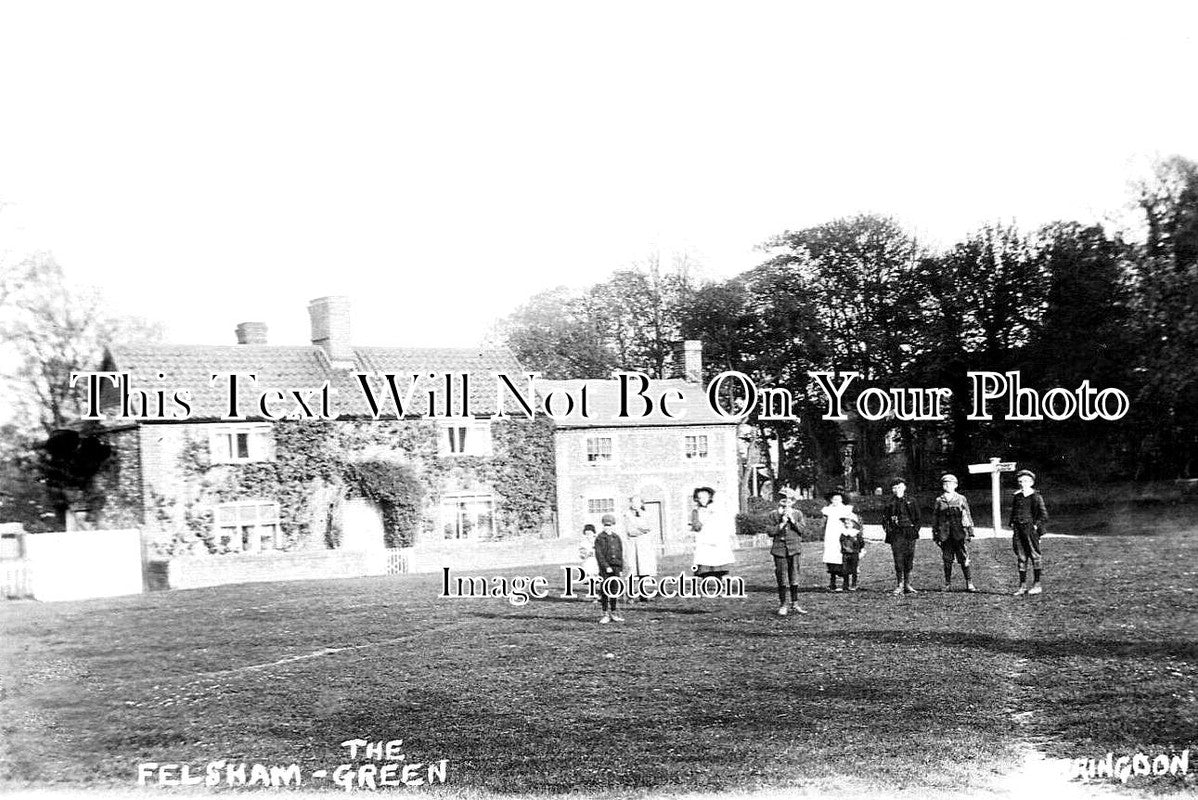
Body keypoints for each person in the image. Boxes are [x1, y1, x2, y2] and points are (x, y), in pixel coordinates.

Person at [932, 473, 976, 592]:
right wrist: (935, 534)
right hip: (945, 534)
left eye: (950, 484)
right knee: (947, 559)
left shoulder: (961, 498)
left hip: (959, 532)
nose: (948, 486)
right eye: (945, 484)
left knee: (963, 558)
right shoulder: (939, 500)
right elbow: (935, 518)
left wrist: (970, 532)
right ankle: (947, 583)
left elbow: (967, 514)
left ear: (955, 485)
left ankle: (969, 582)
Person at [767, 489, 807, 615]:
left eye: (789, 500)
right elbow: (770, 531)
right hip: (779, 550)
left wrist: (792, 520)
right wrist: (782, 523)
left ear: (793, 502)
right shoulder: (773, 514)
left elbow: (802, 529)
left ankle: (795, 603)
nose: (786, 503)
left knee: (794, 576)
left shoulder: (798, 514)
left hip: (794, 549)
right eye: (783, 499)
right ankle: (783, 604)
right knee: (782, 577)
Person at [1010, 469, 1049, 596]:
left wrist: (1035, 526)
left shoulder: (1036, 497)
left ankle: (1037, 584)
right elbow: (1013, 512)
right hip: (1018, 530)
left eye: (1025, 481)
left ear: (1031, 482)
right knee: (1021, 557)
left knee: (1035, 556)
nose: (1022, 483)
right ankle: (1022, 587)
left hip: (1030, 530)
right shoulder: (1017, 496)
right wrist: (1012, 523)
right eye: (1020, 481)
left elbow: (1044, 515)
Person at [883, 477, 922, 595]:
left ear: (904, 487)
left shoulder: (912, 501)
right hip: (896, 533)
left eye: (899, 487)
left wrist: (914, 529)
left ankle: (907, 584)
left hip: (909, 532)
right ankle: (899, 584)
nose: (897, 489)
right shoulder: (890, 503)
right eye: (894, 487)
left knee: (909, 557)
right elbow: (885, 520)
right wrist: (889, 530)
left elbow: (918, 518)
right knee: (898, 558)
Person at [690, 487, 735, 578]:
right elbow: (696, 526)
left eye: (705, 497)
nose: (703, 500)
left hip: (717, 541)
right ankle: (706, 585)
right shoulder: (696, 511)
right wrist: (702, 520)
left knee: (718, 567)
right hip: (704, 542)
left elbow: (724, 523)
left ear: (710, 497)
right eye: (700, 497)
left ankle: (718, 585)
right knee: (705, 567)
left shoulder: (717, 509)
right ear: (697, 499)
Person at [820, 488, 857, 591]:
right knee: (831, 556)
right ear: (831, 500)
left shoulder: (846, 509)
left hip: (842, 534)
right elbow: (823, 523)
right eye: (834, 499)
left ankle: (846, 582)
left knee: (843, 555)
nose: (836, 501)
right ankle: (832, 582)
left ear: (842, 499)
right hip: (831, 535)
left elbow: (852, 522)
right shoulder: (827, 510)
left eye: (838, 499)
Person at [623, 495, 658, 601]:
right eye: (633, 502)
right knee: (632, 571)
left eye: (637, 502)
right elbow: (630, 531)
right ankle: (631, 595)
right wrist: (642, 530)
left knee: (644, 571)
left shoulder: (647, 514)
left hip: (644, 546)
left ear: (641, 503)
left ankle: (643, 595)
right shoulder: (627, 515)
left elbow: (650, 527)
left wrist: (641, 529)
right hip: (632, 545)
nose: (635, 505)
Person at [593, 514, 625, 623]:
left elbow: (620, 553)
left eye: (610, 525)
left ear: (613, 525)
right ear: (603, 525)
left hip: (616, 567)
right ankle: (605, 613)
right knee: (605, 591)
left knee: (614, 590)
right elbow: (599, 554)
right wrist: (606, 566)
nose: (608, 527)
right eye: (606, 525)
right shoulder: (600, 538)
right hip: (605, 569)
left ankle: (614, 612)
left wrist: (620, 568)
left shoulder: (616, 537)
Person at [839, 514, 866, 591]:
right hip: (845, 553)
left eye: (849, 523)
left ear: (853, 524)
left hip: (854, 553)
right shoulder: (843, 533)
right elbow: (841, 541)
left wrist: (859, 549)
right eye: (845, 523)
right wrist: (843, 548)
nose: (847, 524)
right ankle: (845, 584)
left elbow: (861, 542)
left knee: (854, 569)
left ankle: (854, 584)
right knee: (845, 570)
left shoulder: (856, 533)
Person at [578, 523, 600, 603]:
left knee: (598, 578)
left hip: (596, 561)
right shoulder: (583, 542)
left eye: (590, 533)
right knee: (590, 579)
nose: (588, 535)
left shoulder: (598, 540)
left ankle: (600, 594)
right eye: (586, 534)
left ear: (594, 533)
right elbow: (581, 554)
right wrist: (586, 554)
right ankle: (594, 596)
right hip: (588, 562)